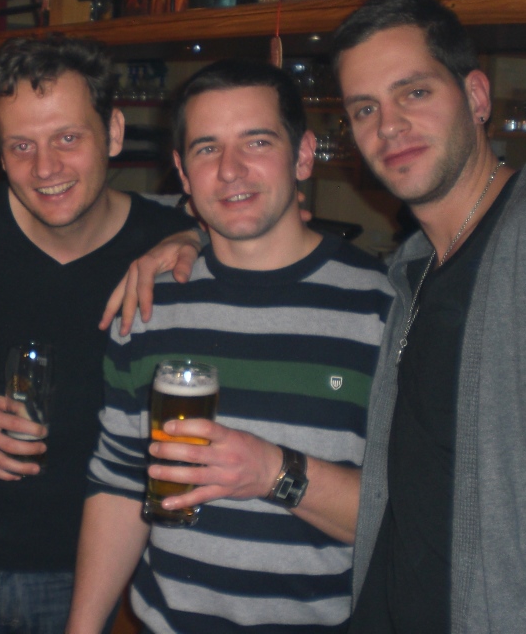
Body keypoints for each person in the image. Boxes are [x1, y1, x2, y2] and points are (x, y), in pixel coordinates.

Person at [66, 59, 393, 634]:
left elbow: (407, 518)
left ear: (303, 155)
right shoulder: (146, 302)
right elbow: (120, 484)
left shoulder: (381, 308)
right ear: (182, 172)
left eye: (257, 141)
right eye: (207, 148)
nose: (230, 169)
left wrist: (273, 472)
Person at [0, 36, 198, 634]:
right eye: (22, 146)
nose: (45, 168)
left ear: (113, 132)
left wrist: (198, 236)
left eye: (67, 138)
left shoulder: (166, 246)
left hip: (88, 568)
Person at [331, 0, 526, 633]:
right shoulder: (412, 269)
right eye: (365, 108)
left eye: (414, 92)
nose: (388, 126)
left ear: (476, 96)